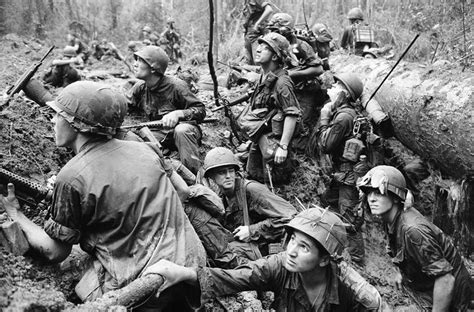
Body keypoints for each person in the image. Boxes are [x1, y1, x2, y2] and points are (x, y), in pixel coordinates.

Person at [0, 81, 206, 310]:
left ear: (76, 124)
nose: (52, 121)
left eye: (58, 115)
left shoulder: (72, 176)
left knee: (72, 270)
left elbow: (55, 251)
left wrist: (16, 214)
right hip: (193, 269)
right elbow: (180, 191)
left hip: (146, 291)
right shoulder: (144, 149)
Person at [143, 207, 384, 311]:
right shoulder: (279, 265)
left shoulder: (357, 293)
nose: (291, 250)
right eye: (291, 241)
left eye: (304, 247)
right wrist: (183, 273)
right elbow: (235, 277)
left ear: (324, 259)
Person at [358, 165, 473, 311]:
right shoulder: (390, 219)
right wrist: (400, 272)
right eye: (369, 194)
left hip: (457, 301)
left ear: (395, 197)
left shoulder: (413, 230)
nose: (371, 199)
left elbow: (446, 280)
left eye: (378, 193)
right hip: (430, 289)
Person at [201, 147, 297, 257]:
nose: (228, 176)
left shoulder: (251, 190)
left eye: (231, 171)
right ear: (212, 176)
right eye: (222, 172)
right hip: (248, 251)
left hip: (267, 253)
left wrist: (252, 231)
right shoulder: (221, 197)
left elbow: (292, 218)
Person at [127, 45, 206, 173]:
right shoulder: (140, 87)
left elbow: (200, 110)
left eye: (140, 61)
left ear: (153, 68)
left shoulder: (176, 86)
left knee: (182, 130)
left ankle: (193, 178)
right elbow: (125, 107)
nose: (135, 64)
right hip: (158, 134)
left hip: (185, 133)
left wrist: (178, 114)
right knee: (133, 138)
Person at [316, 73, 368, 264]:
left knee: (350, 220)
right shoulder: (348, 113)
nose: (332, 88)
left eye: (337, 86)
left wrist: (323, 118)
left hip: (349, 176)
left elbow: (325, 145)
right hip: (342, 174)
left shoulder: (344, 117)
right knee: (326, 204)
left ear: (344, 95)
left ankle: (357, 262)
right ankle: (326, 244)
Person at [241, 32, 301, 185]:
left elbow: (292, 114)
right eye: (259, 45)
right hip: (260, 136)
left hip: (274, 142)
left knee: (273, 183)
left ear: (275, 56)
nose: (258, 49)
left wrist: (283, 146)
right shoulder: (264, 76)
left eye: (265, 47)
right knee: (253, 177)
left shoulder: (282, 82)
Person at [266, 13, 329, 153]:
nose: (272, 34)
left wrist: (292, 74)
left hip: (305, 90)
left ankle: (301, 156)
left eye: (276, 30)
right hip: (286, 89)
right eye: (271, 30)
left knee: (301, 124)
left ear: (286, 30)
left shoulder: (300, 45)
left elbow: (318, 68)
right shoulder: (273, 45)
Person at [243, 0, 274, 65]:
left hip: (257, 34)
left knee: (258, 61)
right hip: (249, 33)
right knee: (249, 62)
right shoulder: (246, 1)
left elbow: (269, 10)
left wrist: (257, 23)